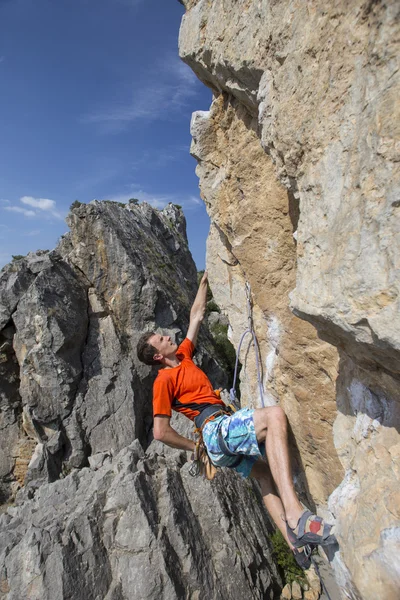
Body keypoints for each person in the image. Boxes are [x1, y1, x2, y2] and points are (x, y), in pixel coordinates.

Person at [136, 272, 338, 568]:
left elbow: (197, 315)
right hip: (214, 430)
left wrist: (204, 282)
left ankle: (294, 544)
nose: (167, 336)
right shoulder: (163, 381)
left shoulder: (184, 356)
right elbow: (160, 431)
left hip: (218, 438)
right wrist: (194, 447)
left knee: (265, 475)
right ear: (156, 356)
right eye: (161, 339)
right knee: (274, 417)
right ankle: (296, 515)